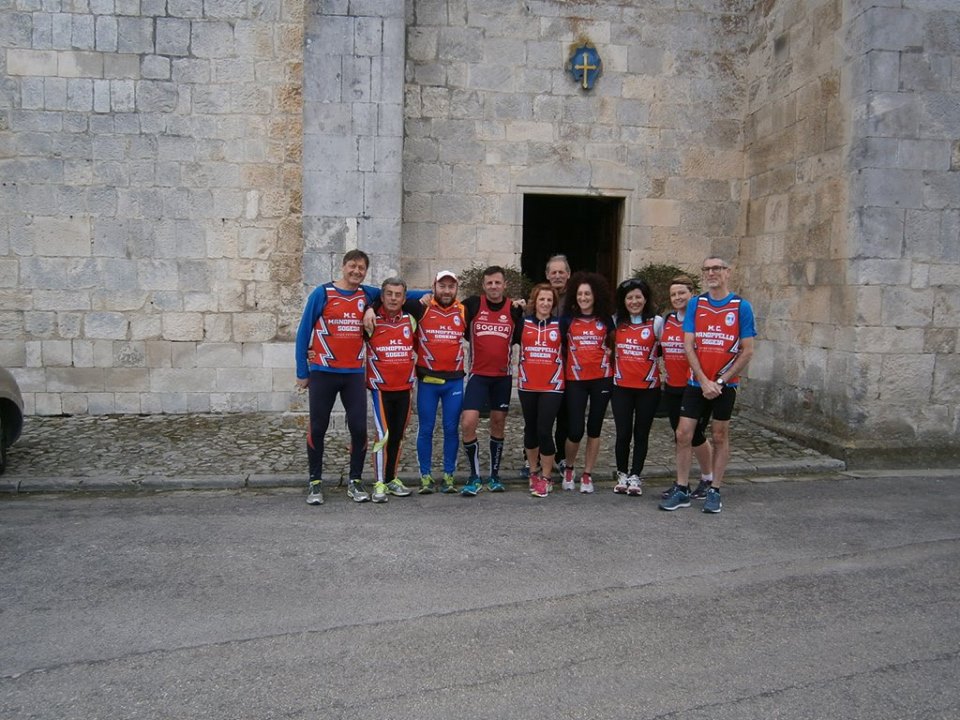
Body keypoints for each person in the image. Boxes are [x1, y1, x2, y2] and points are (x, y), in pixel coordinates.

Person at [659, 256, 757, 514]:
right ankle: (682, 488)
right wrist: (703, 380)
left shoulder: (741, 307)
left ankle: (714, 489)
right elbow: (688, 344)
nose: (712, 273)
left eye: (717, 268)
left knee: (720, 435)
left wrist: (720, 381)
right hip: (696, 383)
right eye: (707, 269)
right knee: (683, 434)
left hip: (726, 385)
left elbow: (747, 350)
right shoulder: (696, 304)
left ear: (727, 272)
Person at [294, 250, 378, 505]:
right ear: (343, 267)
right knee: (318, 427)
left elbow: (395, 293)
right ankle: (315, 481)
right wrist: (302, 371)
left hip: (353, 374)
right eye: (352, 266)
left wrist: (371, 308)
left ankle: (355, 480)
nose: (356, 271)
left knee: (359, 429)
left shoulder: (367, 294)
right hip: (323, 372)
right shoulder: (323, 293)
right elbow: (303, 331)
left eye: (361, 268)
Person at [460, 266, 524, 496]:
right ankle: (474, 475)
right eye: (489, 283)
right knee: (468, 422)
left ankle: (494, 475)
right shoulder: (472, 305)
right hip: (478, 376)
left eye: (498, 283)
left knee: (498, 423)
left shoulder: (514, 310)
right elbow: (447, 310)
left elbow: (521, 337)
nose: (494, 287)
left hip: (502, 377)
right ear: (483, 285)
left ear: (504, 285)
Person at [559, 271, 615, 494]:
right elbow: (559, 346)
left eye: (588, 294)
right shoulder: (567, 320)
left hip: (602, 379)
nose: (583, 298)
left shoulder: (605, 319)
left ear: (595, 295)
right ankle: (569, 468)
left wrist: (610, 352)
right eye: (580, 294)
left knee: (594, 428)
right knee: (575, 430)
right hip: (576, 379)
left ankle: (587, 473)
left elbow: (615, 343)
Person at [659, 275, 714, 499]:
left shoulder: (700, 320)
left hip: (694, 387)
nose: (677, 297)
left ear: (692, 293)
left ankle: (708, 478)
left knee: (696, 435)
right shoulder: (668, 320)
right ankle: (682, 483)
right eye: (673, 294)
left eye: (682, 292)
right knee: (680, 436)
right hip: (673, 386)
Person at [412, 270, 466, 494]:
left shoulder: (463, 310)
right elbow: (394, 296)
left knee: (451, 429)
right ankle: (425, 476)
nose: (446, 291)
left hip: (454, 381)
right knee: (426, 428)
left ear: (456, 289)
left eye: (451, 287)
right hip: (428, 381)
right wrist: (422, 294)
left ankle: (448, 476)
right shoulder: (422, 307)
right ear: (434, 286)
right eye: (442, 286)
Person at [365, 278, 417, 503]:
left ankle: (391, 478)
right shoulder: (370, 320)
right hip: (380, 389)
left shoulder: (411, 320)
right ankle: (378, 483)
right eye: (389, 294)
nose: (393, 298)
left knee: (397, 435)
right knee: (383, 435)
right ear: (382, 296)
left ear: (404, 298)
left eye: (398, 294)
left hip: (404, 388)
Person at [610, 278, 663, 497]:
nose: (634, 301)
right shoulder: (616, 321)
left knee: (641, 433)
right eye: (629, 298)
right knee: (623, 433)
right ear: (623, 301)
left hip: (648, 388)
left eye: (638, 297)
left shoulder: (657, 322)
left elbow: (666, 349)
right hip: (621, 387)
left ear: (645, 298)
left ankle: (635, 475)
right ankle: (622, 473)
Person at [524, 254, 572, 480]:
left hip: (560, 376)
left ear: (568, 274)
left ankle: (553, 466)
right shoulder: (527, 314)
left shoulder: (573, 303)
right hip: (532, 379)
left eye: (561, 272)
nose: (557, 275)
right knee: (532, 426)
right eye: (553, 272)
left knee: (555, 424)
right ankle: (532, 466)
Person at [517, 283, 564, 498]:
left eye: (549, 300)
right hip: (527, 384)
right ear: (534, 302)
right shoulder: (523, 323)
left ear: (553, 304)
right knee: (530, 429)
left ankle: (546, 477)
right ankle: (533, 471)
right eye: (541, 299)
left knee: (544, 429)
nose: (545, 303)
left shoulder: (560, 324)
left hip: (552, 385)